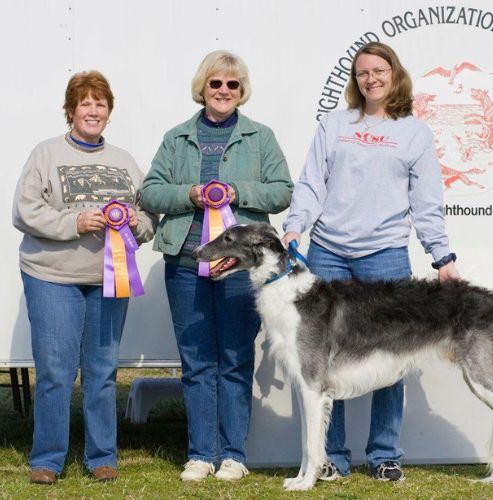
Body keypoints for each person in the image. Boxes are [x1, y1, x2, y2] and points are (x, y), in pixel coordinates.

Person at [282, 42, 460, 482]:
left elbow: (426, 202)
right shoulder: (334, 124)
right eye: (363, 73)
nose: (371, 79)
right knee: (323, 359)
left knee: (393, 357)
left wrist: (443, 257)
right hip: (328, 252)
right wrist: (294, 225)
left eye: (379, 71)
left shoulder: (414, 133)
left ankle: (385, 454)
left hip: (385, 256)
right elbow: (311, 183)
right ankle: (332, 458)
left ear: (394, 75)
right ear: (355, 80)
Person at [140, 50, 293, 481]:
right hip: (186, 264)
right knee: (196, 361)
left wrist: (234, 189)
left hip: (239, 269)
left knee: (235, 356)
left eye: (232, 85)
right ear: (202, 88)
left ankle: (233, 455)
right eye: (216, 83)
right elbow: (150, 192)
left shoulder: (260, 138)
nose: (224, 91)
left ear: (242, 92)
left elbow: (282, 191)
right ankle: (200, 453)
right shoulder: (176, 138)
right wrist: (191, 193)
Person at [13, 70, 157, 485]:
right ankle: (48, 458)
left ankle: (102, 456)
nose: (93, 110)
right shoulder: (46, 154)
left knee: (102, 370)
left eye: (100, 104)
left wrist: (134, 220)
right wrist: (74, 221)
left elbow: (149, 219)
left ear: (109, 112)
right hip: (51, 277)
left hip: (109, 281)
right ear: (71, 110)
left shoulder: (126, 162)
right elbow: (25, 211)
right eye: (85, 103)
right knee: (56, 371)